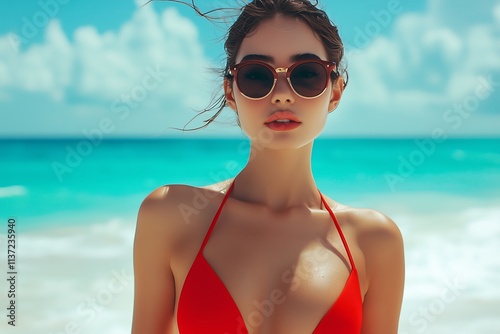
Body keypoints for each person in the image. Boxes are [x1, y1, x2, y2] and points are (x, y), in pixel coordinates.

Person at [131, 0, 405, 333]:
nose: (282, 95)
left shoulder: (373, 241)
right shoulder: (170, 215)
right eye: (257, 76)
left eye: (306, 74)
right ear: (231, 93)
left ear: (334, 92)